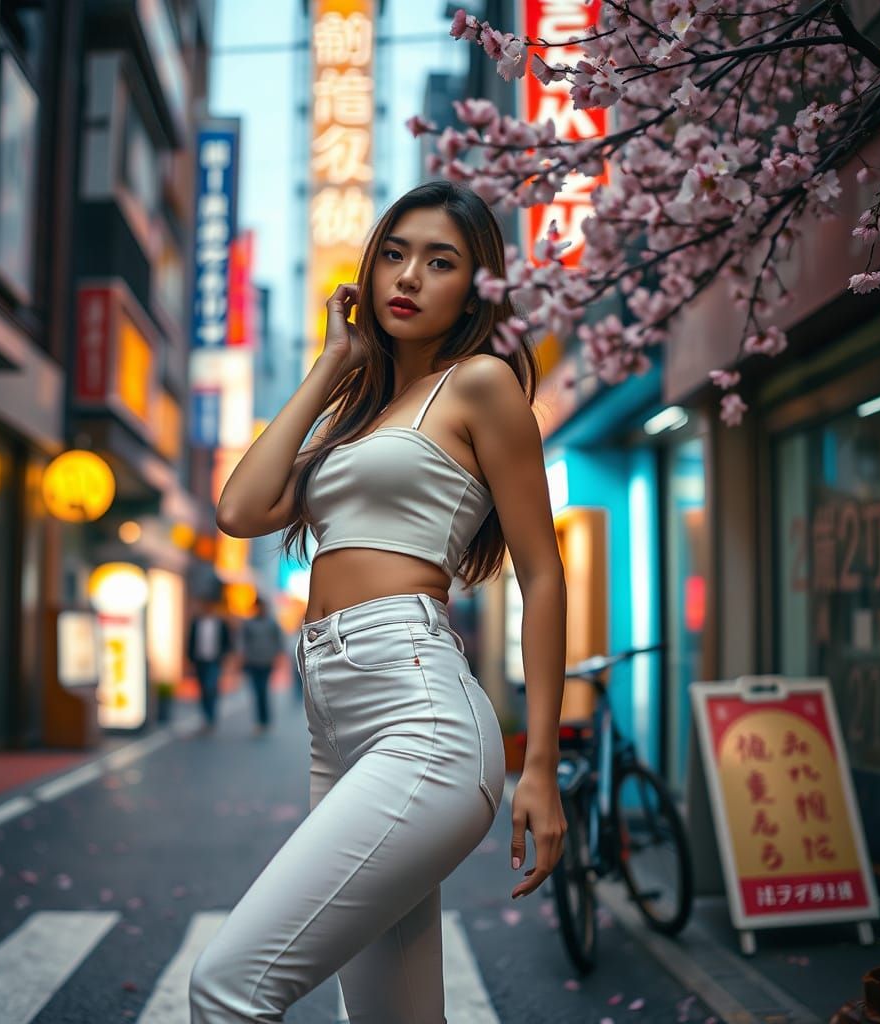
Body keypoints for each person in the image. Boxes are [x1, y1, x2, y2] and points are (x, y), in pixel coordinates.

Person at [189, 180, 568, 1023]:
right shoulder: (358, 415)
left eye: (441, 262)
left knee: (227, 986)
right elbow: (241, 510)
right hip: (337, 727)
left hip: (421, 714)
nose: (408, 277)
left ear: (475, 288)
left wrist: (537, 763)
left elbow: (542, 573)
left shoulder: (479, 386)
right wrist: (332, 365)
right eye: (394, 254)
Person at [186, 597, 235, 735]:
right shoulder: (196, 623)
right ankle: (206, 716)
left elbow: (227, 642)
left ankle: (211, 717)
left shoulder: (220, 623)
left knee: (210, 687)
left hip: (215, 660)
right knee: (202, 689)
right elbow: (191, 641)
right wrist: (190, 660)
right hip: (200, 660)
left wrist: (225, 657)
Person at [238, 595, 285, 734]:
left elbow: (278, 641)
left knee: (263, 689)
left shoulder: (272, 623)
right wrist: (242, 656)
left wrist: (278, 657)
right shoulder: (248, 624)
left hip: (267, 661)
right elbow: (242, 642)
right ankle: (260, 720)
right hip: (252, 661)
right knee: (257, 691)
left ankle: (264, 720)